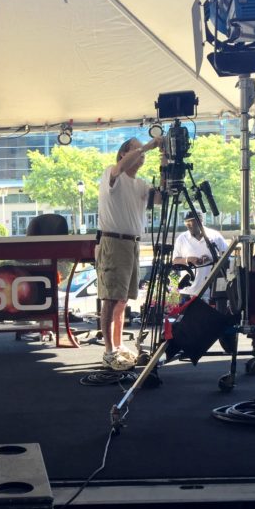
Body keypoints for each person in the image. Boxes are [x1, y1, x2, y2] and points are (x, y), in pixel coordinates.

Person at [96, 135, 164, 370]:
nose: (142, 154)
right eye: (135, 150)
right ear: (123, 154)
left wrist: (164, 157)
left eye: (142, 152)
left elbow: (160, 198)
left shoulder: (141, 184)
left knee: (122, 300)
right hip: (114, 242)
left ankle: (118, 344)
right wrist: (149, 145)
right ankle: (108, 350)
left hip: (132, 243)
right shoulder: (111, 174)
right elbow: (120, 168)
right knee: (111, 297)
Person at [172, 209, 229, 304]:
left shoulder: (215, 236)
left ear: (200, 221)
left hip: (212, 292)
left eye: (191, 221)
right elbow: (175, 260)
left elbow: (227, 256)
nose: (188, 224)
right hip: (188, 292)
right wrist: (188, 260)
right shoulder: (182, 239)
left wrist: (211, 259)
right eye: (186, 221)